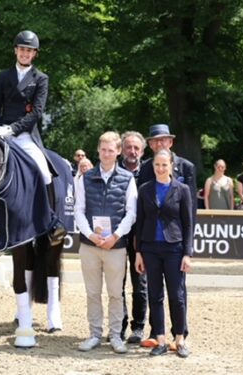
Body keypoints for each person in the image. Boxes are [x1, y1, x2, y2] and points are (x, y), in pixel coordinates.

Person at [0, 29, 65, 242]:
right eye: (22, 49)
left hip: (25, 134)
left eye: (29, 51)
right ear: (16, 51)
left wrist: (13, 129)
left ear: (34, 54)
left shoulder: (41, 78)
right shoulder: (3, 76)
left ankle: (52, 222)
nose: (24, 53)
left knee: (44, 171)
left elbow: (37, 112)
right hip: (1, 133)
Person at [74, 131, 137, 354]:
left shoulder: (128, 179)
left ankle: (116, 336)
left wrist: (115, 236)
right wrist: (91, 235)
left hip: (115, 246)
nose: (107, 154)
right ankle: (94, 334)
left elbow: (131, 213)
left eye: (111, 150)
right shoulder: (86, 178)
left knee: (115, 294)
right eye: (103, 150)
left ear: (118, 151)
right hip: (90, 245)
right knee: (92, 293)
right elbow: (78, 210)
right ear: (98, 151)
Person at [137, 123, 195, 346]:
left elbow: (188, 217)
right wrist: (139, 250)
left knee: (177, 294)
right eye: (155, 140)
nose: (160, 168)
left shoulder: (185, 175)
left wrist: (187, 251)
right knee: (155, 294)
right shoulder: (145, 177)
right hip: (151, 245)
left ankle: (180, 336)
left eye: (164, 140)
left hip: (175, 245)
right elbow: (141, 217)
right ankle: (157, 336)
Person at [118, 131, 148, 344]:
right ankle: (119, 325)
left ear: (143, 151)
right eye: (128, 147)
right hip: (117, 235)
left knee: (140, 284)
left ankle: (138, 327)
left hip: (142, 237)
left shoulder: (149, 171)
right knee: (116, 284)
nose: (132, 151)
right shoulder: (113, 169)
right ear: (121, 149)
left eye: (136, 148)